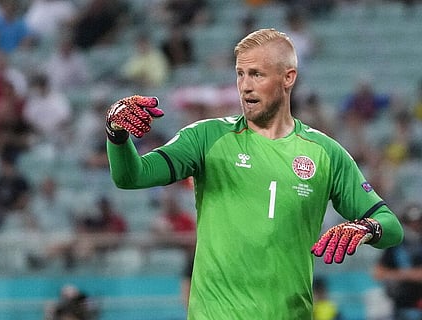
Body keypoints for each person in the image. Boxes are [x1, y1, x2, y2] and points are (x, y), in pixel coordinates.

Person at [104, 28, 404, 319]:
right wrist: (117, 135)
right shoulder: (206, 137)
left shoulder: (325, 153)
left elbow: (391, 226)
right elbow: (132, 176)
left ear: (288, 78)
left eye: (257, 74)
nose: (245, 85)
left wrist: (367, 228)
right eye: (240, 74)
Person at [373, 203, 422, 320]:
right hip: (401, 305)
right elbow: (378, 273)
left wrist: (396, 274)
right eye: (410, 223)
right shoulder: (397, 245)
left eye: (418, 223)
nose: (414, 226)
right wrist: (408, 274)